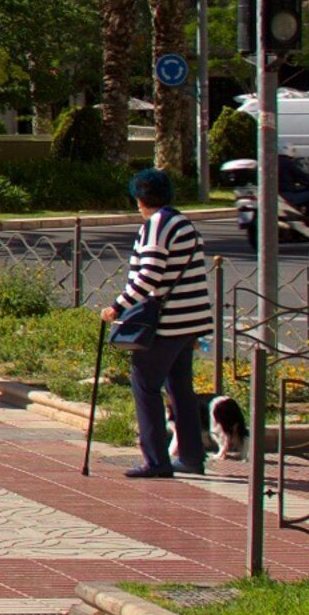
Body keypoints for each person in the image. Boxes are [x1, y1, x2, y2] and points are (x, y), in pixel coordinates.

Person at [107, 166, 215, 479]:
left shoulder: (156, 225)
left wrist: (117, 307)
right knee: (180, 389)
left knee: (145, 385)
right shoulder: (183, 222)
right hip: (190, 321)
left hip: (166, 324)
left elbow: (149, 275)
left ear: (141, 199)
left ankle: (156, 460)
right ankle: (192, 457)